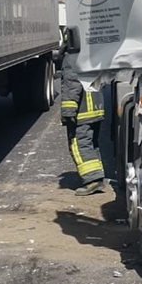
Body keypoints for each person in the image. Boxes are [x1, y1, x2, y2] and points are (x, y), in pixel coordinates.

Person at [59, 55, 106, 196]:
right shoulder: (90, 52)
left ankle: (92, 181)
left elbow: (72, 83)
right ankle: (96, 175)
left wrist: (68, 110)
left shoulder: (72, 57)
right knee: (91, 144)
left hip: (83, 110)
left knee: (78, 144)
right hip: (96, 108)